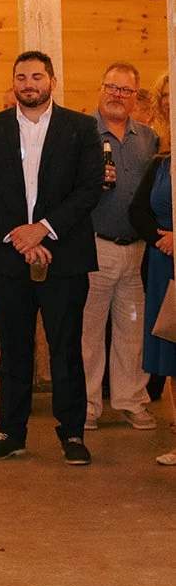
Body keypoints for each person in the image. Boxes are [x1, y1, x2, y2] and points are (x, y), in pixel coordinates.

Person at [0, 51, 104, 466]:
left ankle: (73, 434)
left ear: (52, 81)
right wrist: (20, 236)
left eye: (37, 76)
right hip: (7, 256)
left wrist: (42, 229)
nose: (29, 83)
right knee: (14, 348)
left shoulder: (80, 128)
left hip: (64, 254)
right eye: (21, 77)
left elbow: (89, 187)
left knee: (65, 347)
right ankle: (11, 432)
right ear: (13, 84)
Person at [80, 63, 158, 432]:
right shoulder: (80, 133)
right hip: (94, 248)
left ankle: (131, 400)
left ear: (134, 97)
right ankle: (88, 406)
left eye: (125, 90)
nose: (117, 95)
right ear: (101, 88)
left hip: (137, 252)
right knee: (89, 333)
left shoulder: (148, 139)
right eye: (111, 86)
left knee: (132, 331)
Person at [129, 149, 176, 466]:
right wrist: (161, 239)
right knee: (174, 352)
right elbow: (138, 211)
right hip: (164, 261)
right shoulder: (162, 163)